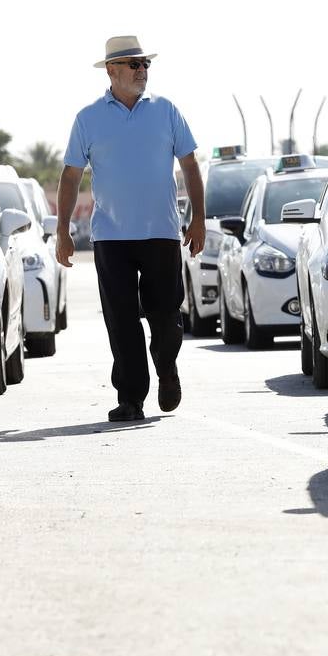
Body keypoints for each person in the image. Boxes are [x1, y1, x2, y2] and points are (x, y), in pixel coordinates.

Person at [55, 36, 205, 421]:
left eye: (145, 64)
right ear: (111, 70)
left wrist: (199, 219)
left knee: (165, 316)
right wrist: (63, 230)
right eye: (133, 64)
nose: (142, 71)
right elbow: (70, 176)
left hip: (162, 233)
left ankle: (167, 368)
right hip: (111, 237)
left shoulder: (166, 110)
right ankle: (131, 397)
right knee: (121, 321)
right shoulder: (88, 118)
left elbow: (190, 166)